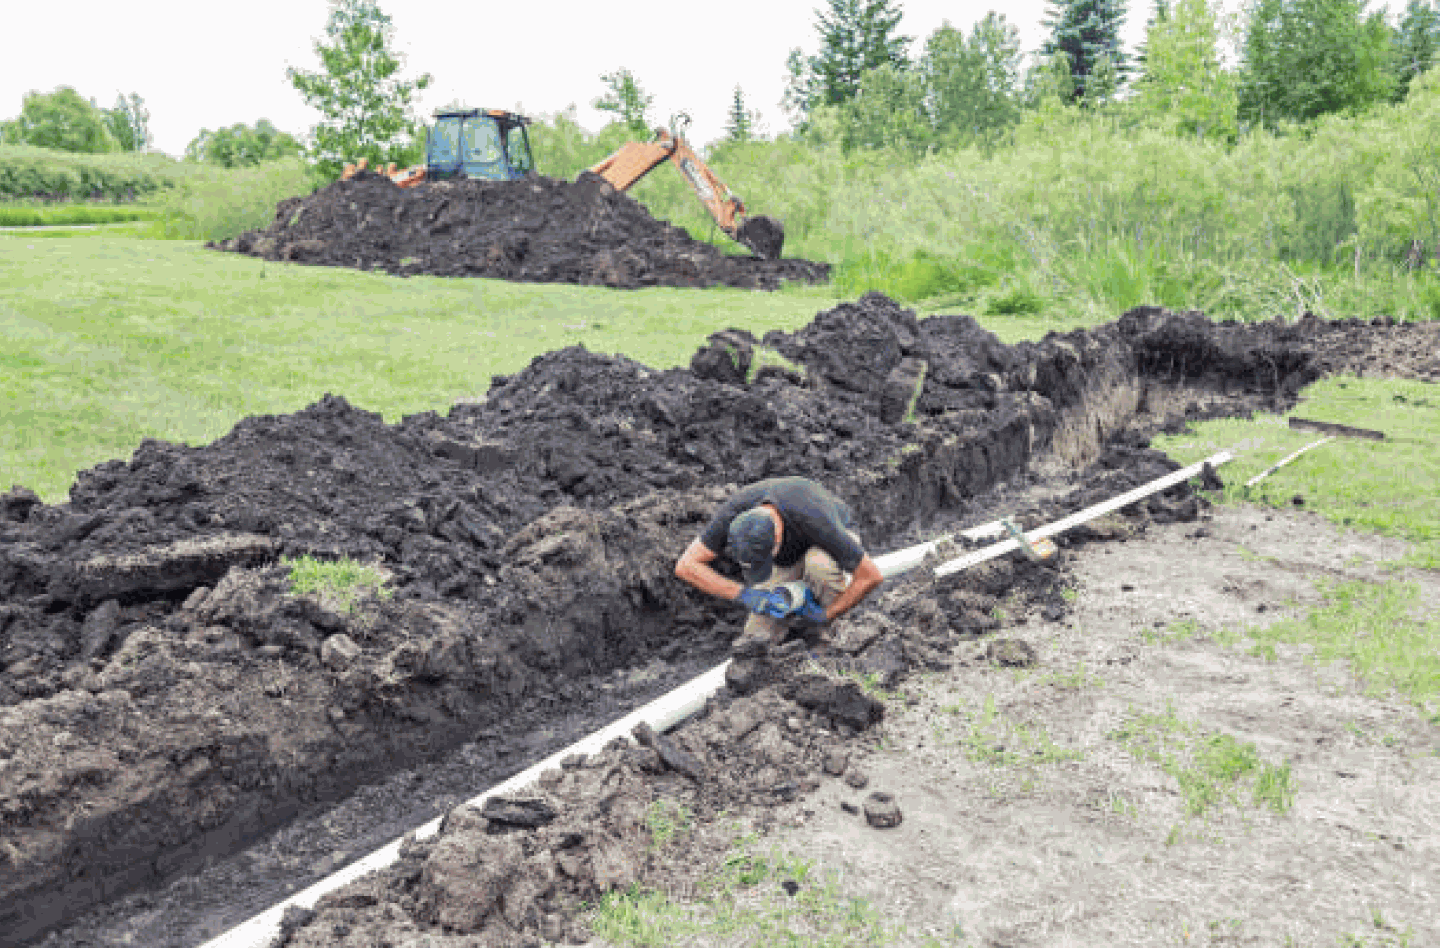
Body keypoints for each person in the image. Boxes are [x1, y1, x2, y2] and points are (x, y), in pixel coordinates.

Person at [674, 476, 884, 654]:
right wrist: (744, 594)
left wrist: (825, 615)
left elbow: (871, 575)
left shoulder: (814, 517)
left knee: (818, 565)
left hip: (827, 546)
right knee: (757, 639)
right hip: (789, 556)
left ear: (776, 537)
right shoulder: (733, 514)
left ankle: (835, 634)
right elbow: (686, 565)